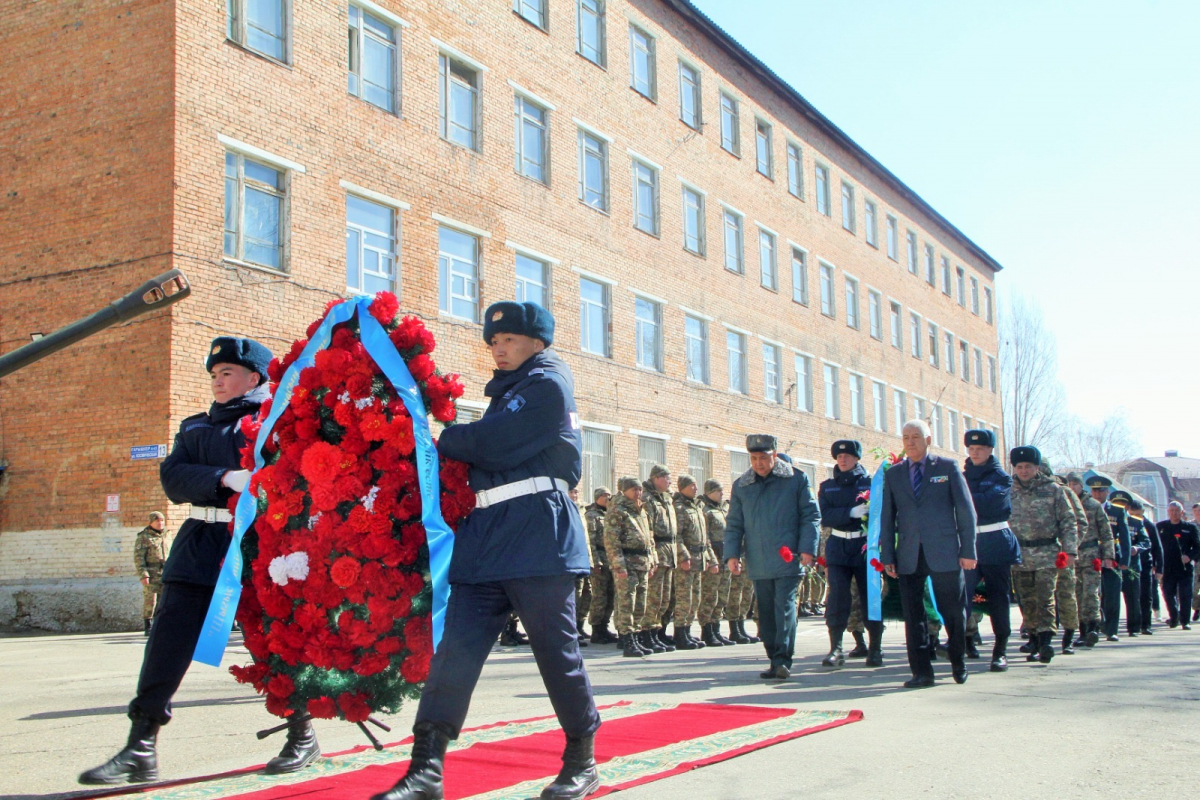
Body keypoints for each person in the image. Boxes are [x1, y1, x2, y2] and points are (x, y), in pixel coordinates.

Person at [373, 301, 600, 800]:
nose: (498, 349)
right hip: (489, 535)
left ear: (537, 342)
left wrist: (446, 437)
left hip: (538, 532)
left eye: (509, 340)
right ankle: (425, 769)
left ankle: (581, 759)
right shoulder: (508, 391)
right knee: (455, 653)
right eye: (493, 342)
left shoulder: (547, 384)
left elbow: (495, 444)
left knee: (555, 653)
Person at [79, 337, 311, 785]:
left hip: (256, 542)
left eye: (227, 373)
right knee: (167, 641)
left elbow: (288, 474)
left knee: (275, 639)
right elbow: (173, 479)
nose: (218, 381)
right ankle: (141, 744)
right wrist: (226, 477)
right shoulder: (194, 427)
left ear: (254, 378)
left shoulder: (272, 423)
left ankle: (300, 732)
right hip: (198, 542)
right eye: (213, 374)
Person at [879, 420, 976, 688]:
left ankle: (958, 659)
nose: (910, 442)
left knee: (952, 610)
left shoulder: (947, 467)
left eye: (916, 437)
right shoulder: (894, 474)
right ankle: (921, 672)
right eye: (906, 437)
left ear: (928, 439)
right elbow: (887, 517)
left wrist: (968, 550)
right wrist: (888, 555)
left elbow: (966, 511)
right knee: (914, 615)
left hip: (944, 551)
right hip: (909, 553)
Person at [724, 435, 821, 680]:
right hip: (758, 558)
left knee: (784, 607)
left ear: (774, 456)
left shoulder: (796, 479)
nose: (759, 463)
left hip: (789, 558)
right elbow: (734, 524)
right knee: (765, 612)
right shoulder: (742, 486)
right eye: (754, 458)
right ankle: (773, 657)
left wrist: (808, 548)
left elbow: (810, 516)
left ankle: (782, 659)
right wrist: (732, 555)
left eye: (764, 458)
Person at [1008, 447, 1077, 665]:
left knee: (1045, 599)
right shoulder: (1007, 490)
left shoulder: (1053, 490)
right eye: (1019, 467)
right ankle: (1035, 639)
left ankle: (1046, 642)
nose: (1024, 470)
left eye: (1028, 466)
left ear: (1037, 467)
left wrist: (1070, 550)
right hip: (1019, 555)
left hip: (1047, 553)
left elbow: (1068, 521)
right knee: (1026, 601)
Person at [817, 439, 882, 668]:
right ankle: (836, 648)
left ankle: (875, 648)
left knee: (869, 598)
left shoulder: (871, 484)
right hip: (838, 546)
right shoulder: (827, 486)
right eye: (839, 456)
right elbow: (826, 516)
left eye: (847, 456)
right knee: (837, 598)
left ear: (856, 458)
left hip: (864, 548)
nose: (842, 459)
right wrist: (850, 512)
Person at [960, 430, 1020, 672]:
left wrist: (963, 498)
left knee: (997, 598)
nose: (975, 452)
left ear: (990, 450)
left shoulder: (1001, 477)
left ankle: (1000, 650)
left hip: (995, 541)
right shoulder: (961, 476)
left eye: (980, 448)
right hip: (969, 542)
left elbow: (986, 503)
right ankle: (963, 642)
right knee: (962, 595)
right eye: (971, 448)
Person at [604, 477, 659, 657]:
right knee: (627, 602)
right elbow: (612, 542)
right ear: (625, 491)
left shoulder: (641, 510)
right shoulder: (617, 511)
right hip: (626, 563)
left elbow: (649, 539)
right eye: (634, 489)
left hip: (642, 563)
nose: (638, 493)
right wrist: (619, 566)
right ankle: (627, 639)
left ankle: (635, 636)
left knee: (640, 604)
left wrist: (652, 560)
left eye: (640, 489)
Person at [1066, 473, 1115, 647]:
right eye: (1069, 484)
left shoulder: (1093, 505)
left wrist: (1108, 556)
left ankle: (1093, 627)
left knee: (1091, 593)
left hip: (1091, 554)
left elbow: (1106, 532)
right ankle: (1082, 631)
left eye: (1075, 484)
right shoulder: (1065, 504)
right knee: (1076, 595)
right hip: (1072, 557)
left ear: (1081, 486)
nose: (1072, 488)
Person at [672, 475, 718, 649]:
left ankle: (688, 630)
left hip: (700, 559)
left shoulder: (698, 508)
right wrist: (683, 556)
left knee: (695, 598)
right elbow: (677, 536)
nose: (695, 489)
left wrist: (710, 558)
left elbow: (705, 538)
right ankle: (680, 632)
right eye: (692, 485)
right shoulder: (680, 508)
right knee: (684, 598)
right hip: (688, 560)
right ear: (683, 487)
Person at [640, 464, 680, 654]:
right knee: (653, 597)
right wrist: (652, 556)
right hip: (658, 551)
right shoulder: (647, 499)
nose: (669, 481)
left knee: (665, 598)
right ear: (656, 478)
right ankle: (647, 633)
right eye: (666, 477)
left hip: (669, 552)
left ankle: (658, 631)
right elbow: (648, 530)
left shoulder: (666, 499)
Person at [1087, 475, 1131, 642]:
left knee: (1112, 595)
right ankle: (1092, 628)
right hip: (1090, 558)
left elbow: (1125, 537)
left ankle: (1111, 629)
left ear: (1107, 492)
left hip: (1112, 558)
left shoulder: (1117, 511)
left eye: (1101, 490)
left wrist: (1124, 560)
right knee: (1091, 595)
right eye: (1095, 491)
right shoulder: (1085, 509)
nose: (1097, 494)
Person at [697, 479, 737, 646]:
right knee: (710, 596)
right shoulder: (704, 510)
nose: (722, 493)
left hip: (725, 557)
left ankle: (716, 629)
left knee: (722, 596)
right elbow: (704, 537)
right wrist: (711, 558)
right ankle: (707, 630)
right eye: (718, 491)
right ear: (709, 492)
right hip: (714, 557)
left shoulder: (722, 509)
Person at [1155, 501, 1200, 629]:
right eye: (1172, 510)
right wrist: (1156, 564)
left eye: (1177, 511)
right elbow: (1155, 547)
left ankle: (1185, 621)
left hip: (1184, 567)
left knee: (1186, 594)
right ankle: (1174, 617)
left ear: (1182, 512)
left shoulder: (1190, 528)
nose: (1174, 513)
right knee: (1168, 593)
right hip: (1167, 566)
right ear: (1168, 512)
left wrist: (1189, 556)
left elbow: (1197, 548)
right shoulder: (1161, 527)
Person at [584, 488, 617, 645]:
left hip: (611, 560)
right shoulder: (592, 515)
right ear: (597, 497)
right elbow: (591, 541)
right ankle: (596, 629)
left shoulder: (610, 514)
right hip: (600, 561)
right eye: (604, 495)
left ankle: (605, 626)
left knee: (611, 595)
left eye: (609, 495)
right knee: (599, 596)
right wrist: (595, 562)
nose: (608, 497)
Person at [133, 512, 169, 636]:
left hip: (165, 573)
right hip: (152, 573)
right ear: (151, 522)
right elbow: (139, 558)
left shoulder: (167, 535)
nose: (160, 523)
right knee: (151, 601)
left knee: (164, 600)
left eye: (162, 521)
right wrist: (143, 574)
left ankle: (161, 624)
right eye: (157, 521)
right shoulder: (144, 537)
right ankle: (148, 625)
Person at [1130, 501, 1162, 634]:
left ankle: (1146, 625)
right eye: (1133, 515)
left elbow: (1157, 547)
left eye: (1139, 514)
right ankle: (1134, 625)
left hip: (1146, 564)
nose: (1137, 517)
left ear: (1143, 512)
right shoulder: (1127, 523)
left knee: (1146, 594)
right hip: (1131, 564)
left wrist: (1159, 568)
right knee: (1133, 595)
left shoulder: (1149, 525)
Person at [569, 486, 592, 647]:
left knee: (586, 594)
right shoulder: (564, 508)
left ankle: (579, 625)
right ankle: (571, 630)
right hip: (571, 560)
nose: (575, 495)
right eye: (572, 491)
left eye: (577, 491)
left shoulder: (582, 511)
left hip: (585, 558)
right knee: (573, 596)